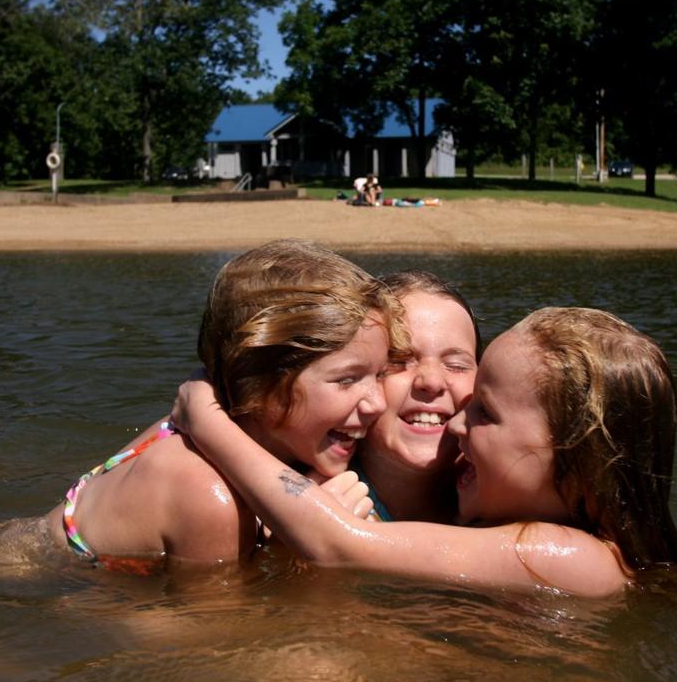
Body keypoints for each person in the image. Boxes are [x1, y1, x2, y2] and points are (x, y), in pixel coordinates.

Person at [172, 307, 677, 598]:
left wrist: (209, 420)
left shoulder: (570, 557)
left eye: (485, 414)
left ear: (579, 463)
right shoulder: (510, 531)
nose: (457, 422)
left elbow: (339, 545)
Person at [41, 239, 406, 570]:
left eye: (379, 374)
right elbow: (216, 637)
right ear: (259, 384)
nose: (376, 403)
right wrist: (293, 553)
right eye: (347, 379)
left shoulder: (200, 421)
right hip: (43, 582)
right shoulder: (211, 498)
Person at [354, 270, 480, 523]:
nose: (431, 382)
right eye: (399, 359)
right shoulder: (298, 506)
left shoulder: (509, 498)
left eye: (456, 365)